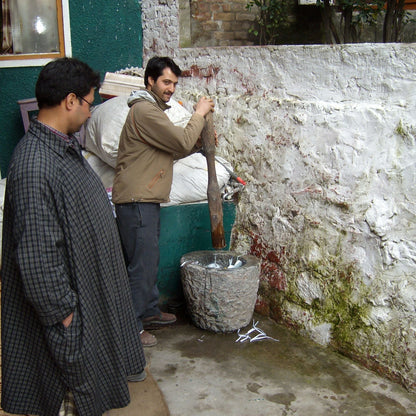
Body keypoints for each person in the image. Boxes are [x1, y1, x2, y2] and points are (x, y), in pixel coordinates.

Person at [1, 57, 146, 416]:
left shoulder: (60, 148)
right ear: (70, 101)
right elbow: (38, 261)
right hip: (68, 324)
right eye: (88, 101)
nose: (90, 109)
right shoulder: (35, 164)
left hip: (84, 310)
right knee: (71, 399)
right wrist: (67, 320)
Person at [112, 56, 215, 347]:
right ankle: (129, 330)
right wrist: (199, 113)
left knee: (149, 261)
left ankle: (148, 313)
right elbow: (179, 142)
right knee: (141, 266)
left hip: (144, 197)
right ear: (150, 81)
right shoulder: (145, 110)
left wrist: (196, 142)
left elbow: (171, 150)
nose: (170, 88)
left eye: (174, 84)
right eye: (166, 82)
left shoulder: (151, 110)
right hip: (137, 199)